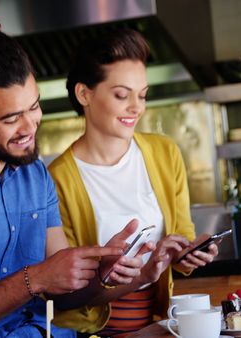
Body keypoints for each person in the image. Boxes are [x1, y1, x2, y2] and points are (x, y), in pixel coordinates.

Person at [0, 7, 150, 338]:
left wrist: (103, 272)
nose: (29, 126)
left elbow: (63, 295)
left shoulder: (35, 174)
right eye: (10, 119)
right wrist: (35, 278)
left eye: (34, 107)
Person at [48, 28, 219, 337]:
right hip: (89, 333)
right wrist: (138, 273)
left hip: (159, 326)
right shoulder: (58, 179)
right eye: (121, 95)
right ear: (84, 94)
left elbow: (182, 242)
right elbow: (67, 294)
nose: (136, 107)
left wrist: (189, 251)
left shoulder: (165, 153)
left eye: (141, 95)